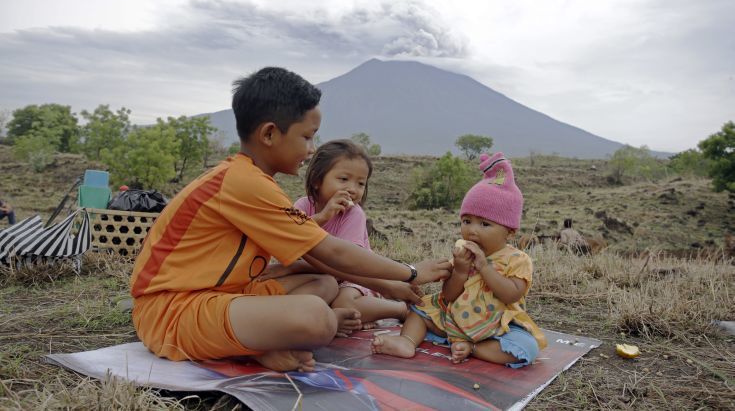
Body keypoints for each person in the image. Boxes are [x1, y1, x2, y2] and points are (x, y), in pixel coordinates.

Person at [129, 67, 451, 373]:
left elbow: (316, 260)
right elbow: (332, 252)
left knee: (322, 284)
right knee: (318, 319)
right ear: (270, 133)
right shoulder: (243, 183)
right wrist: (410, 273)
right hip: (171, 312)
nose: (311, 150)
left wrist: (386, 285)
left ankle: (260, 341)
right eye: (307, 137)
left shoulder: (251, 180)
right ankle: (257, 345)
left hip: (223, 296)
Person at [372, 153, 547, 367]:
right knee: (420, 312)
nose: (472, 231)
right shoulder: (463, 256)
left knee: (526, 348)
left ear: (509, 232)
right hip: (453, 317)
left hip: (496, 326)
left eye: (484, 224)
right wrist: (461, 270)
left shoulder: (518, 260)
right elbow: (449, 295)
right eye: (467, 221)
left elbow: (511, 294)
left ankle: (473, 348)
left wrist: (484, 267)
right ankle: (406, 341)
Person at [258, 140, 409, 330]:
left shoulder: (354, 214)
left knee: (344, 305)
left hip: (352, 278)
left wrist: (291, 268)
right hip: (319, 276)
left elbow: (345, 263)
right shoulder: (303, 206)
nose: (353, 189)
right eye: (344, 179)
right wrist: (322, 216)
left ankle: (400, 309)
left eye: (361, 183)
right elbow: (289, 240)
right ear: (317, 180)